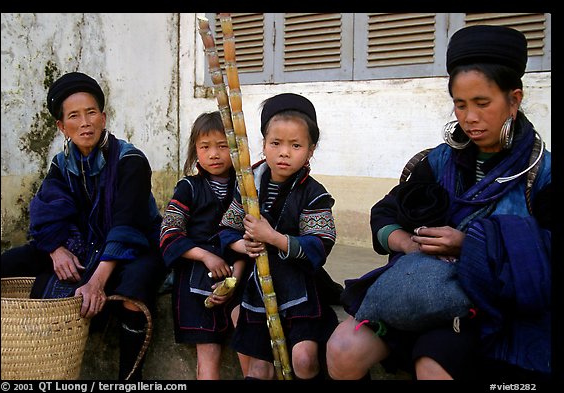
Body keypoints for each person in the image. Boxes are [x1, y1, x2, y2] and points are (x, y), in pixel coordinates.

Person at [326, 25, 551, 381]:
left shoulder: (540, 173)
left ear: (514, 99)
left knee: (433, 364)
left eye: (482, 103)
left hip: (488, 306)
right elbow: (385, 213)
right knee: (341, 350)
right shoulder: (439, 162)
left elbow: (546, 251)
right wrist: (407, 242)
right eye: (460, 105)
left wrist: (471, 246)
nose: (470, 118)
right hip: (421, 292)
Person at [0, 71, 167, 381]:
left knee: (135, 290)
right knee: (8, 263)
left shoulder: (131, 160)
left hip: (134, 245)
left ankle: (130, 380)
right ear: (62, 127)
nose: (85, 122)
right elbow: (47, 213)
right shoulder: (62, 164)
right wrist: (55, 249)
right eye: (74, 116)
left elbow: (127, 224)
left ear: (103, 118)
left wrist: (96, 282)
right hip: (83, 245)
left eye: (91, 112)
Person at [217, 93, 340, 380]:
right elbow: (226, 230)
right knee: (259, 368)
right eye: (276, 143)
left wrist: (273, 237)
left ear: (311, 150)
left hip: (301, 291)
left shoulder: (314, 193)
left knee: (304, 359)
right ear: (264, 145)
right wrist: (243, 244)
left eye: (295, 145)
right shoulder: (248, 186)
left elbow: (320, 244)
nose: (284, 153)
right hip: (258, 291)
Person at [159, 111, 249, 380]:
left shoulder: (246, 189)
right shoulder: (188, 188)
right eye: (205, 147)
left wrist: (235, 278)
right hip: (196, 282)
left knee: (250, 342)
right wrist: (206, 257)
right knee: (208, 357)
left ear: (236, 149)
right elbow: (169, 232)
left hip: (238, 274)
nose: (214, 154)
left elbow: (250, 239)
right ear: (195, 151)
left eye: (223, 146)